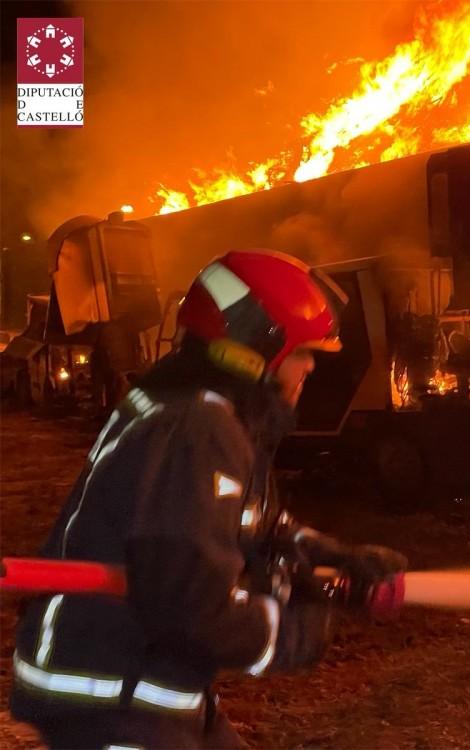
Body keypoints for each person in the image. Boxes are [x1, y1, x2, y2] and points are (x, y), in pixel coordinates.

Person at [10, 249, 406, 749]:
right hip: (111, 697)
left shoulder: (210, 407)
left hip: (147, 682)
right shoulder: (197, 429)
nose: (310, 366)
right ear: (254, 350)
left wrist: (331, 553)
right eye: (302, 352)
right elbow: (191, 607)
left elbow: (259, 520)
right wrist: (293, 631)